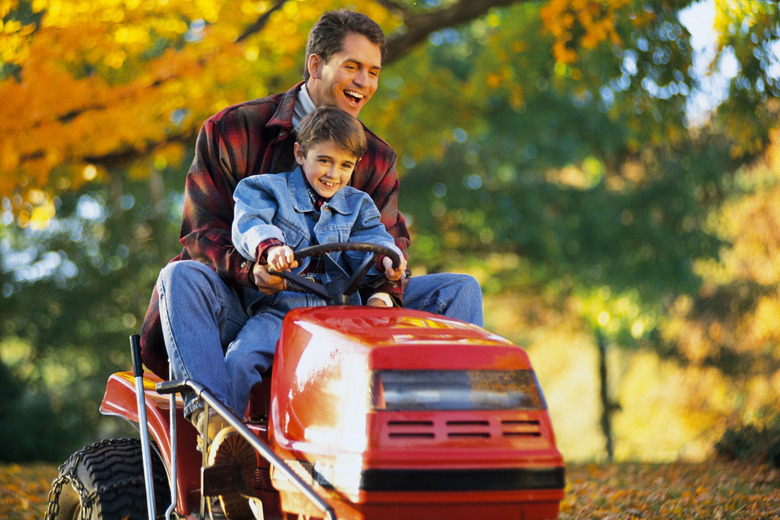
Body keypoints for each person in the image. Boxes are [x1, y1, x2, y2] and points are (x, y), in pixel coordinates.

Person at [142, 9, 483, 436]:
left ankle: (442, 428)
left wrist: (386, 291)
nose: (365, 82)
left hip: (347, 309)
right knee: (180, 275)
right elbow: (201, 235)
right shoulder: (233, 129)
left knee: (459, 291)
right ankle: (221, 432)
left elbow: (388, 240)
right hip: (252, 307)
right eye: (353, 67)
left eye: (374, 71)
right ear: (316, 65)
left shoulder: (375, 157)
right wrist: (256, 271)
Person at [227, 106, 407, 423]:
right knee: (240, 358)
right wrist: (271, 249)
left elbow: (375, 239)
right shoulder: (264, 188)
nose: (333, 173)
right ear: (300, 153)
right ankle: (227, 437)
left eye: (345, 165)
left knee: (383, 365)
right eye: (324, 160)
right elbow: (251, 224)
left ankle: (390, 438)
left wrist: (386, 260)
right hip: (282, 310)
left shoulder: (358, 204)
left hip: (342, 313)